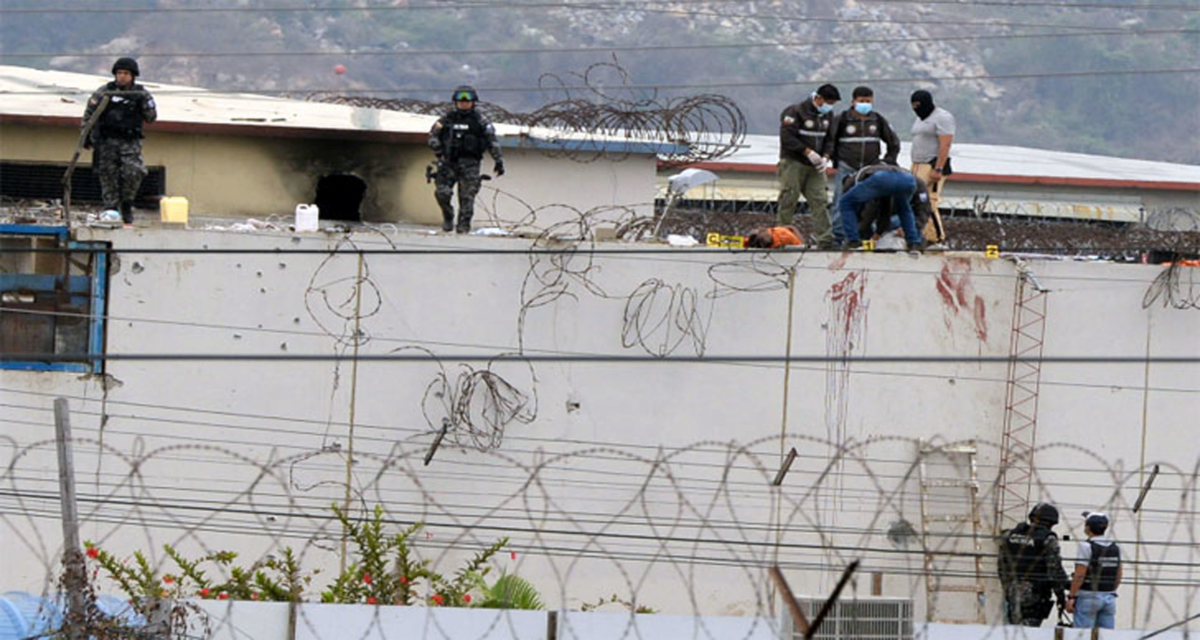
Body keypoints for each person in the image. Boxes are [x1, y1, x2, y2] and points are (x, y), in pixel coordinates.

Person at [82, 57, 157, 224]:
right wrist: (86, 136)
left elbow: (151, 117)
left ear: (133, 75)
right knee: (108, 175)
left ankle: (127, 203)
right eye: (119, 73)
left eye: (126, 73)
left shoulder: (141, 94)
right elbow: (89, 115)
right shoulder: (104, 92)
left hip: (130, 142)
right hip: (106, 141)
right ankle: (111, 207)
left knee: (134, 172)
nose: (122, 76)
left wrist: (141, 104)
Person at [428, 85, 504, 233]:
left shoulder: (480, 120)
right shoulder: (447, 119)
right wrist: (438, 149)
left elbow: (492, 141)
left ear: (473, 102)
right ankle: (448, 216)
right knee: (442, 194)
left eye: (467, 101)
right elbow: (433, 135)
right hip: (449, 163)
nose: (464, 103)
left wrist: (498, 160)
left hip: (470, 164)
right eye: (460, 101)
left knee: (467, 198)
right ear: (456, 102)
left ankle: (463, 227)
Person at [828, 86, 901, 238]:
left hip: (870, 169)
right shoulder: (842, 119)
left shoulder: (877, 120)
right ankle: (839, 236)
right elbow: (830, 142)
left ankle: (864, 233)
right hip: (847, 167)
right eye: (862, 101)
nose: (865, 104)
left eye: (868, 101)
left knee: (870, 202)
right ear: (853, 102)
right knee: (841, 201)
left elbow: (893, 143)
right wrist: (834, 161)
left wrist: (888, 161)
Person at [777, 84, 840, 248]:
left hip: (816, 166)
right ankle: (781, 235)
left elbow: (830, 139)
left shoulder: (828, 115)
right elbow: (787, 138)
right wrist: (807, 151)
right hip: (793, 162)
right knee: (789, 197)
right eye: (827, 102)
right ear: (818, 98)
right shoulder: (795, 111)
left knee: (820, 200)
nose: (829, 107)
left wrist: (826, 157)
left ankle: (825, 239)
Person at [998, 502, 1071, 627]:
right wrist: (1061, 594)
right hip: (1035, 593)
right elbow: (1054, 570)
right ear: (1050, 523)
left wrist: (1008, 586)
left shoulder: (1009, 535)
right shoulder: (1048, 539)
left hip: (1012, 591)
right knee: (1029, 630)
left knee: (1012, 627)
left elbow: (1001, 566)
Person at [837, 164, 923, 252]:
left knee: (845, 202)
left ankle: (853, 241)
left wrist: (861, 233)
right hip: (908, 179)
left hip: (882, 178)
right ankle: (913, 242)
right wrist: (879, 231)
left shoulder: (851, 182)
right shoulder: (874, 181)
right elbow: (885, 210)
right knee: (904, 209)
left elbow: (868, 211)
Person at [909, 90, 955, 244]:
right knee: (915, 201)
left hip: (932, 164)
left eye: (918, 105)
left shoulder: (942, 117)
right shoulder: (920, 119)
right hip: (917, 164)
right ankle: (923, 235)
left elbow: (945, 144)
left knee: (929, 202)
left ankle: (937, 238)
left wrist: (938, 168)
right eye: (913, 106)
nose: (916, 108)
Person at [1067, 511, 1122, 630]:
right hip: (1109, 597)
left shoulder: (1086, 546)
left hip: (1088, 596)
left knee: (1083, 635)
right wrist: (1109, 589)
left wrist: (1071, 596)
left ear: (1087, 527)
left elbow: (1080, 574)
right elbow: (1118, 574)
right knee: (1106, 635)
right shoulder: (1115, 547)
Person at [855, 174, 932, 244]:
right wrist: (876, 232)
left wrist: (913, 227)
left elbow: (924, 211)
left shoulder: (919, 187)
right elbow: (874, 213)